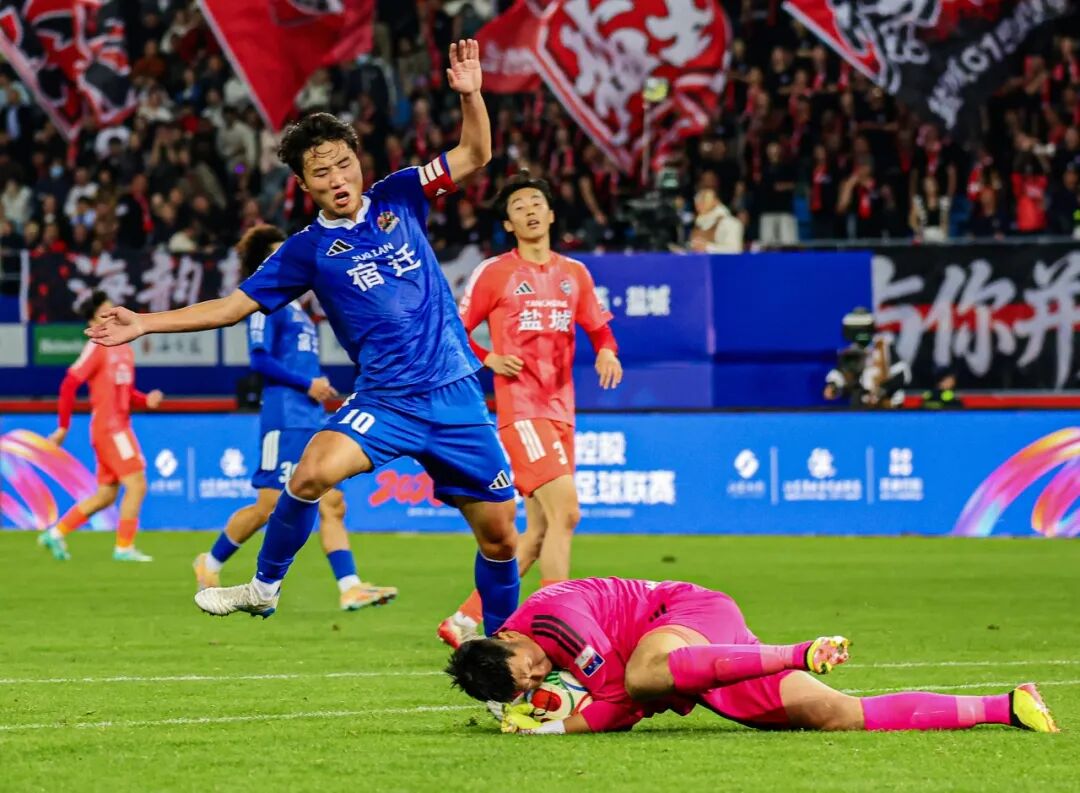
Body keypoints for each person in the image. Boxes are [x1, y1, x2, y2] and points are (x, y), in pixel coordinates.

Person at [87, 40, 520, 627]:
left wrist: (471, 95)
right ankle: (264, 587)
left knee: (500, 539)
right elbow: (231, 307)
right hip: (387, 400)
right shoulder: (306, 250)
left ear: (358, 161)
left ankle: (505, 649)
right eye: (322, 172)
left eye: (344, 164)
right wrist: (143, 322)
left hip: (455, 393)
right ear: (303, 183)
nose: (338, 178)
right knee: (310, 472)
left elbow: (476, 153)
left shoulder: (400, 194)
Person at [446, 577, 1059, 735]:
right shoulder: (518, 654)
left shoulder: (555, 617)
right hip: (689, 658)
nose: (539, 674)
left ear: (509, 637)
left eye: (531, 668)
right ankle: (1008, 705)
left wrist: (555, 726)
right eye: (528, 684)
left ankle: (798, 650)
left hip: (687, 616)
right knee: (837, 715)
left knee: (641, 676)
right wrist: (538, 706)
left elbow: (622, 699)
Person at [438, 173, 622, 647]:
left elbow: (599, 328)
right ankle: (559, 629)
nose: (530, 210)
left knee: (539, 533)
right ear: (508, 224)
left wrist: (607, 351)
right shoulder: (495, 272)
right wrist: (487, 359)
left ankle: (463, 620)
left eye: (536, 202)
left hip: (562, 411)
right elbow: (453, 329)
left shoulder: (575, 273)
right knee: (568, 513)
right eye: (518, 206)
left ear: (552, 214)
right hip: (522, 411)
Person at [192, 225, 398, 611]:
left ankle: (350, 587)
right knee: (270, 505)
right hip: (284, 416)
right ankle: (211, 561)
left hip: (311, 416)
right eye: (276, 252)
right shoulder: (264, 304)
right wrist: (307, 383)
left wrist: (315, 387)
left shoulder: (299, 310)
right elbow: (259, 359)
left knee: (332, 502)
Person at [38, 291, 163, 562]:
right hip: (111, 428)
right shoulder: (97, 346)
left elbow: (125, 392)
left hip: (117, 426)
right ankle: (124, 548)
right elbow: (69, 383)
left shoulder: (124, 347)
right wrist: (63, 427)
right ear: (94, 319)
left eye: (113, 308)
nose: (112, 314)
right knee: (137, 484)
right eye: (105, 311)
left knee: (106, 495)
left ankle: (55, 533)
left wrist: (146, 400)